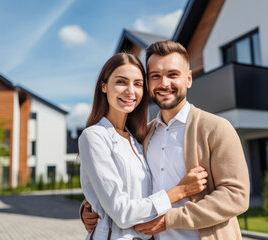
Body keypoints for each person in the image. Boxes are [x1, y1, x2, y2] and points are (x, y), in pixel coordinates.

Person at [82, 41, 250, 240]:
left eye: (172, 75)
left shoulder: (216, 128)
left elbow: (236, 196)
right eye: (155, 76)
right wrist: (94, 206)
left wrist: (171, 219)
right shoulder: (145, 134)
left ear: (188, 79)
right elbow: (128, 187)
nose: (164, 84)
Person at [78, 52, 208, 240]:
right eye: (121, 82)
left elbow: (137, 191)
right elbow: (122, 214)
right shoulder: (94, 136)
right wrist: (180, 190)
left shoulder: (139, 138)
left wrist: (90, 203)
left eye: (138, 84)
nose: (131, 91)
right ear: (104, 86)